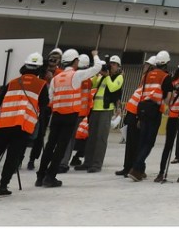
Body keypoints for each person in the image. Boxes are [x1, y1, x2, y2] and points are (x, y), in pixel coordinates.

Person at [0, 52, 48, 197]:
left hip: (3, 124)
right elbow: (44, 104)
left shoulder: (12, 82)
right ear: (39, 68)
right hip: (22, 126)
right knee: (12, 158)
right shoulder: (42, 85)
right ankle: (2, 187)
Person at [36, 49, 102, 188]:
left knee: (50, 145)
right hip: (70, 116)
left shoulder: (55, 78)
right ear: (74, 61)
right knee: (61, 147)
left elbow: (51, 98)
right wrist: (95, 55)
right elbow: (97, 68)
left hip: (56, 116)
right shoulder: (76, 76)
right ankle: (51, 176)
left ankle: (40, 175)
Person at [129, 50, 173, 181]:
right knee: (149, 142)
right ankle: (136, 167)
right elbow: (167, 98)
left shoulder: (147, 75)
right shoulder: (166, 77)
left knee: (142, 141)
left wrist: (138, 116)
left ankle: (139, 170)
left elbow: (141, 93)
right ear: (166, 63)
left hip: (142, 108)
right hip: (154, 111)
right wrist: (167, 105)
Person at [81, 55, 123, 173]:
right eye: (111, 63)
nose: (112, 66)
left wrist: (108, 76)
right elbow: (93, 85)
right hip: (95, 109)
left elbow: (113, 88)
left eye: (114, 64)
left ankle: (96, 164)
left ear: (118, 66)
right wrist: (97, 73)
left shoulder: (118, 77)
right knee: (91, 137)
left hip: (106, 110)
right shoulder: (103, 76)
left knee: (101, 138)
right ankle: (87, 162)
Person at [156, 58, 179, 182]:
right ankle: (161, 172)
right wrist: (175, 89)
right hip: (173, 114)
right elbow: (167, 100)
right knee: (168, 143)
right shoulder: (172, 81)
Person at [115, 57, 152, 178]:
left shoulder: (150, 82)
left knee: (135, 144)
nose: (144, 68)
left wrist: (139, 116)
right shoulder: (144, 80)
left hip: (137, 115)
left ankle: (137, 168)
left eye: (147, 66)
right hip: (131, 114)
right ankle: (127, 167)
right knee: (130, 143)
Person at [27, 47, 62, 171]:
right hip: (33, 104)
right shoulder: (41, 69)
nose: (53, 60)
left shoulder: (60, 73)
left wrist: (51, 78)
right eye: (52, 57)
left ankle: (32, 159)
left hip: (46, 108)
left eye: (56, 59)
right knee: (26, 131)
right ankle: (19, 158)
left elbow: (59, 87)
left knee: (40, 134)